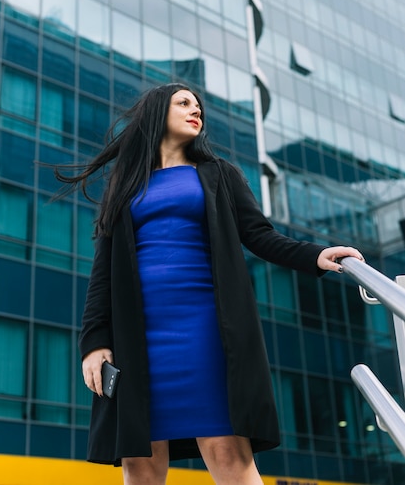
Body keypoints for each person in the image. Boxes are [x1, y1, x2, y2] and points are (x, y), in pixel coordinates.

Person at [56, 82, 364, 485]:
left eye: (198, 105)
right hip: (138, 335)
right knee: (141, 461)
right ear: (156, 114)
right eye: (183, 103)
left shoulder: (220, 174)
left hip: (206, 328)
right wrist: (94, 343)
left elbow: (261, 236)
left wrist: (316, 256)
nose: (195, 110)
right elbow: (103, 271)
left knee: (226, 449)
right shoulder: (127, 183)